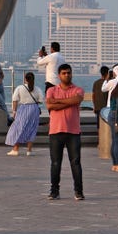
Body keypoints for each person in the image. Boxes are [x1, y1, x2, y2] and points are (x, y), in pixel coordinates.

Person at [45, 63, 84, 201]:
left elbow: (77, 99)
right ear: (59, 75)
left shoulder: (78, 90)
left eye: (68, 73)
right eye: (64, 73)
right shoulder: (51, 90)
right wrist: (68, 102)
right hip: (56, 131)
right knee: (55, 163)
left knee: (76, 163)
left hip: (73, 132)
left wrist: (58, 103)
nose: (66, 75)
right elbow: (49, 104)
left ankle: (78, 191)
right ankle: (54, 191)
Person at [5, 71, 43, 156]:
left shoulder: (19, 88)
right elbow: (40, 101)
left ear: (25, 79)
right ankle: (29, 150)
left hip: (23, 108)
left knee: (18, 128)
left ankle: (15, 149)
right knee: (32, 129)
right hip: (34, 109)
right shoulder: (37, 89)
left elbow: (15, 100)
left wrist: (14, 111)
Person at [92, 65, 111, 160]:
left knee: (98, 126)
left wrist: (94, 105)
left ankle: (100, 142)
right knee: (106, 125)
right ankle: (105, 141)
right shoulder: (108, 83)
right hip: (105, 108)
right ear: (107, 73)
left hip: (98, 107)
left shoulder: (96, 83)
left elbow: (93, 95)